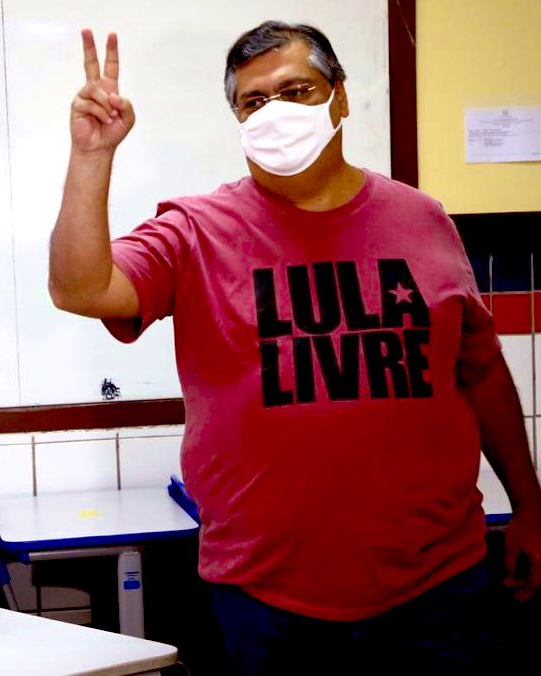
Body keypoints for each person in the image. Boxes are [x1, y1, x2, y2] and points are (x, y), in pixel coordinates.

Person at [48, 20, 541, 675]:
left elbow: (479, 372)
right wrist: (91, 157)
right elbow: (79, 288)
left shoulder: (422, 219)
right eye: (253, 101)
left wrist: (530, 506)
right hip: (268, 601)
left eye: (296, 90)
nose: (275, 112)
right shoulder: (195, 231)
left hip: (438, 586)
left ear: (338, 99)